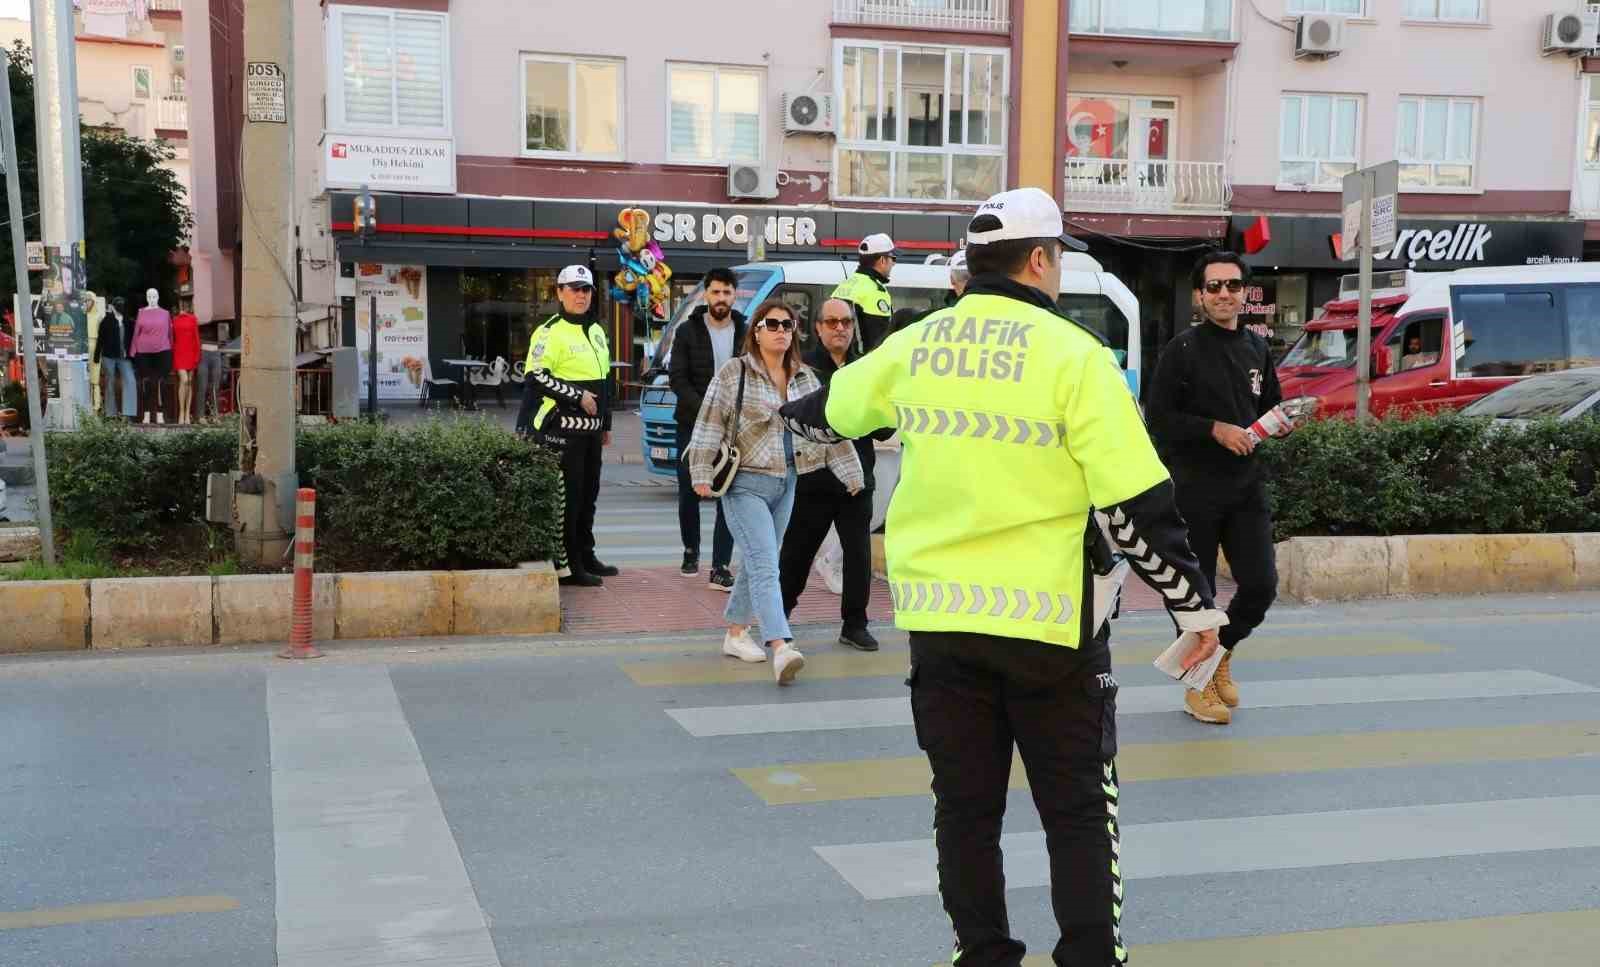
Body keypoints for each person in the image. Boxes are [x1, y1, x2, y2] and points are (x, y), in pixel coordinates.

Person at [781, 187, 1225, 966]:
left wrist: (782, 411)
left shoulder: (917, 344)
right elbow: (1133, 507)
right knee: (1080, 813)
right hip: (1051, 630)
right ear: (1041, 260)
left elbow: (830, 410)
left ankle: (983, 955)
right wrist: (1194, 610)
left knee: (964, 813)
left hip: (943, 630)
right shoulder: (1075, 356)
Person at [686, 298, 863, 686]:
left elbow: (827, 428)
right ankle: (781, 646)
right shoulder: (736, 373)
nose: (781, 331)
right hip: (744, 482)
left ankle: (735, 633)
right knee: (767, 561)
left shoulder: (804, 378)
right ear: (756, 331)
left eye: (787, 325)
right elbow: (709, 420)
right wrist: (699, 471)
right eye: (773, 324)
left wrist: (851, 472)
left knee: (755, 561)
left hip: (788, 482)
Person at [1145, 250, 1283, 725]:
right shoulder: (1182, 350)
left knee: (1261, 585)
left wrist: (1276, 425)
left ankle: (1219, 653)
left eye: (1233, 285)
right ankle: (1197, 686)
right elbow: (1158, 418)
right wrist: (1214, 430)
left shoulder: (1257, 349)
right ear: (1200, 296)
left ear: (1245, 292)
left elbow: (1270, 405)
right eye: (1215, 287)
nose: (1224, 294)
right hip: (1193, 491)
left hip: (1246, 489)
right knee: (1194, 596)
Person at [778, 298, 893, 652]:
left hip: (857, 480)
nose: (839, 328)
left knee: (857, 557)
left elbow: (884, 428)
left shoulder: (866, 369)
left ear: (853, 327)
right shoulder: (800, 369)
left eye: (845, 322)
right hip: (811, 480)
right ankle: (777, 620)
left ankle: (855, 624)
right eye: (831, 322)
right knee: (796, 555)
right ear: (817, 328)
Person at [520, 264, 617, 588]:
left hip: (591, 431)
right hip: (560, 429)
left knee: (589, 495)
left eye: (586, 289)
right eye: (573, 288)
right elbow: (535, 375)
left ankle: (586, 554)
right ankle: (569, 566)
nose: (580, 295)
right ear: (559, 292)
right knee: (570, 499)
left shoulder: (597, 330)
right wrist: (576, 395)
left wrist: (606, 422)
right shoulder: (548, 331)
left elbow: (605, 379)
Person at [668, 266, 744, 590]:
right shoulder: (687, 331)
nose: (721, 298)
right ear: (706, 294)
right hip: (692, 421)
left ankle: (720, 566)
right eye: (716, 291)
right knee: (689, 487)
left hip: (734, 427)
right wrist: (707, 411)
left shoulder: (746, 329)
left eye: (727, 292)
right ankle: (690, 550)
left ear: (733, 295)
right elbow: (677, 379)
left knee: (726, 490)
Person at [831, 233, 895, 352]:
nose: (894, 263)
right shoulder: (875, 290)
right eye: (893, 258)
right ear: (882, 260)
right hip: (863, 363)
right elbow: (878, 341)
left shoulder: (845, 285)